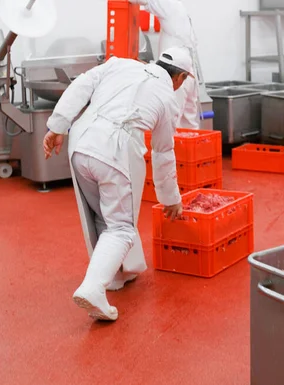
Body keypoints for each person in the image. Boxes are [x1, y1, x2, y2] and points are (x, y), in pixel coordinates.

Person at [42, 47, 194, 322]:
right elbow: (163, 153)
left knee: (102, 213)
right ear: (181, 77)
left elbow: (82, 84)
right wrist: (171, 198)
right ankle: (93, 287)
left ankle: (115, 278)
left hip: (80, 143)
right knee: (122, 227)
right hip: (115, 149)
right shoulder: (168, 99)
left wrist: (57, 126)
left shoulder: (120, 64)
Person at [131, 0, 201, 129]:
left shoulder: (171, 5)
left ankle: (177, 148)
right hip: (188, 71)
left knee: (172, 120)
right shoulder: (180, 9)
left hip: (176, 74)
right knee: (188, 122)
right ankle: (188, 148)